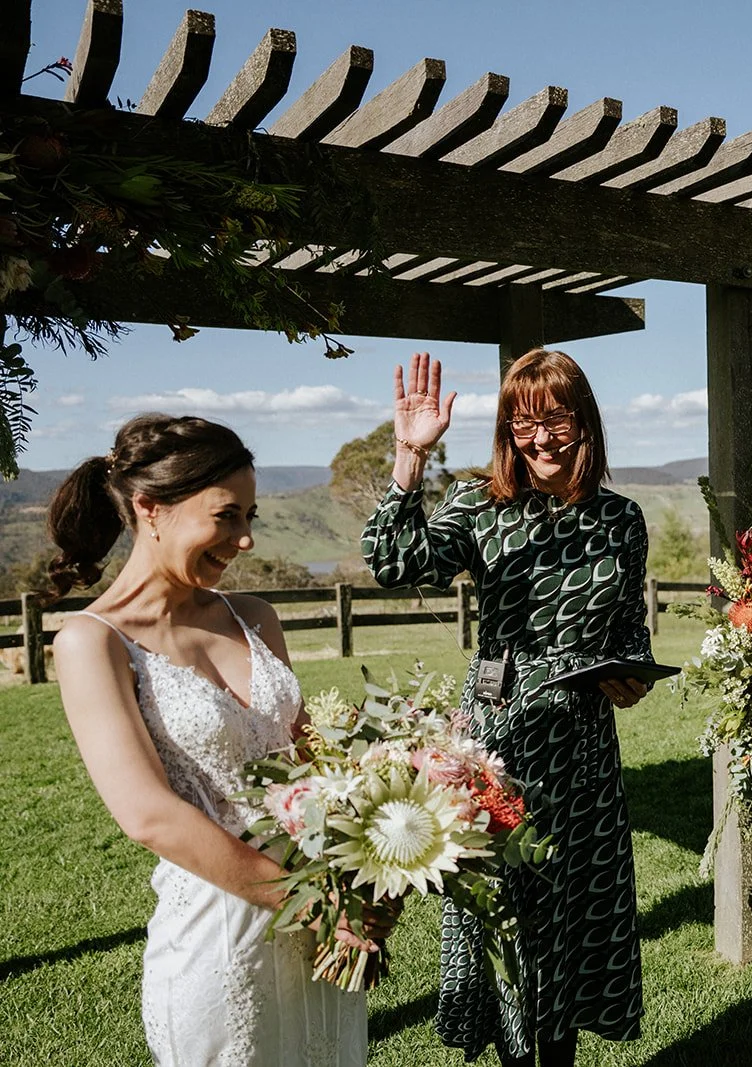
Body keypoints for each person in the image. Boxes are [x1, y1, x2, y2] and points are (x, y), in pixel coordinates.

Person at [49, 413, 371, 1066]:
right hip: (219, 937)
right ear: (150, 508)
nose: (246, 538)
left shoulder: (253, 617)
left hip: (322, 934)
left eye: (250, 515)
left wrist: (376, 849)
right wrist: (314, 902)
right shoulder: (92, 642)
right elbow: (149, 815)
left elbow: (311, 761)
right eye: (227, 516)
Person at [363, 350, 652, 1066]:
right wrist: (410, 455)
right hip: (499, 736)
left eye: (556, 416)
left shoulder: (622, 519)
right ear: (506, 430)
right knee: (507, 918)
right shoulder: (477, 504)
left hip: (583, 743)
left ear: (584, 418)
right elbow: (393, 564)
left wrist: (633, 672)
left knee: (571, 921)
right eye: (525, 421)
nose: (543, 436)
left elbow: (628, 630)